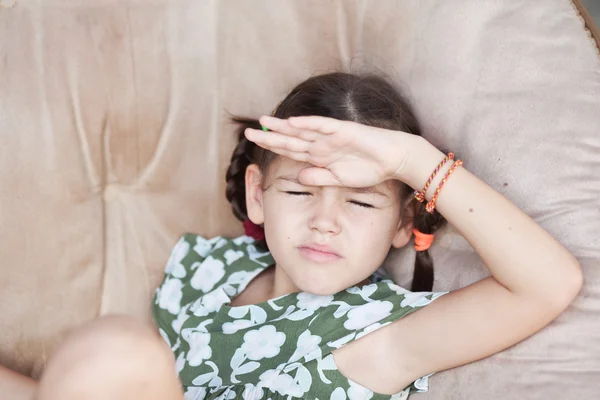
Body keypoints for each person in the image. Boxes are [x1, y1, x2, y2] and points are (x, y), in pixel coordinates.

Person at [0, 72, 583, 400]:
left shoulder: (377, 334)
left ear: (405, 223)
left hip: (121, 365)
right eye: (301, 193)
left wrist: (412, 160)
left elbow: (547, 285)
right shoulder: (213, 269)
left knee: (117, 351)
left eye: (359, 202)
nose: (324, 220)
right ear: (258, 195)